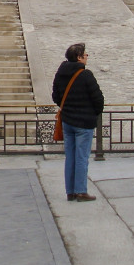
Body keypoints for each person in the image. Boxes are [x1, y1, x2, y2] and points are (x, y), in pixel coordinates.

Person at [51, 43, 104, 201]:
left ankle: (70, 191)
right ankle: (81, 191)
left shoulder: (60, 74)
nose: (87, 57)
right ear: (79, 57)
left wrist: (67, 107)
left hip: (67, 120)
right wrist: (92, 112)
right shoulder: (86, 75)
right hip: (84, 122)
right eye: (85, 55)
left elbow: (56, 96)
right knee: (81, 157)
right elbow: (98, 99)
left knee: (70, 157)